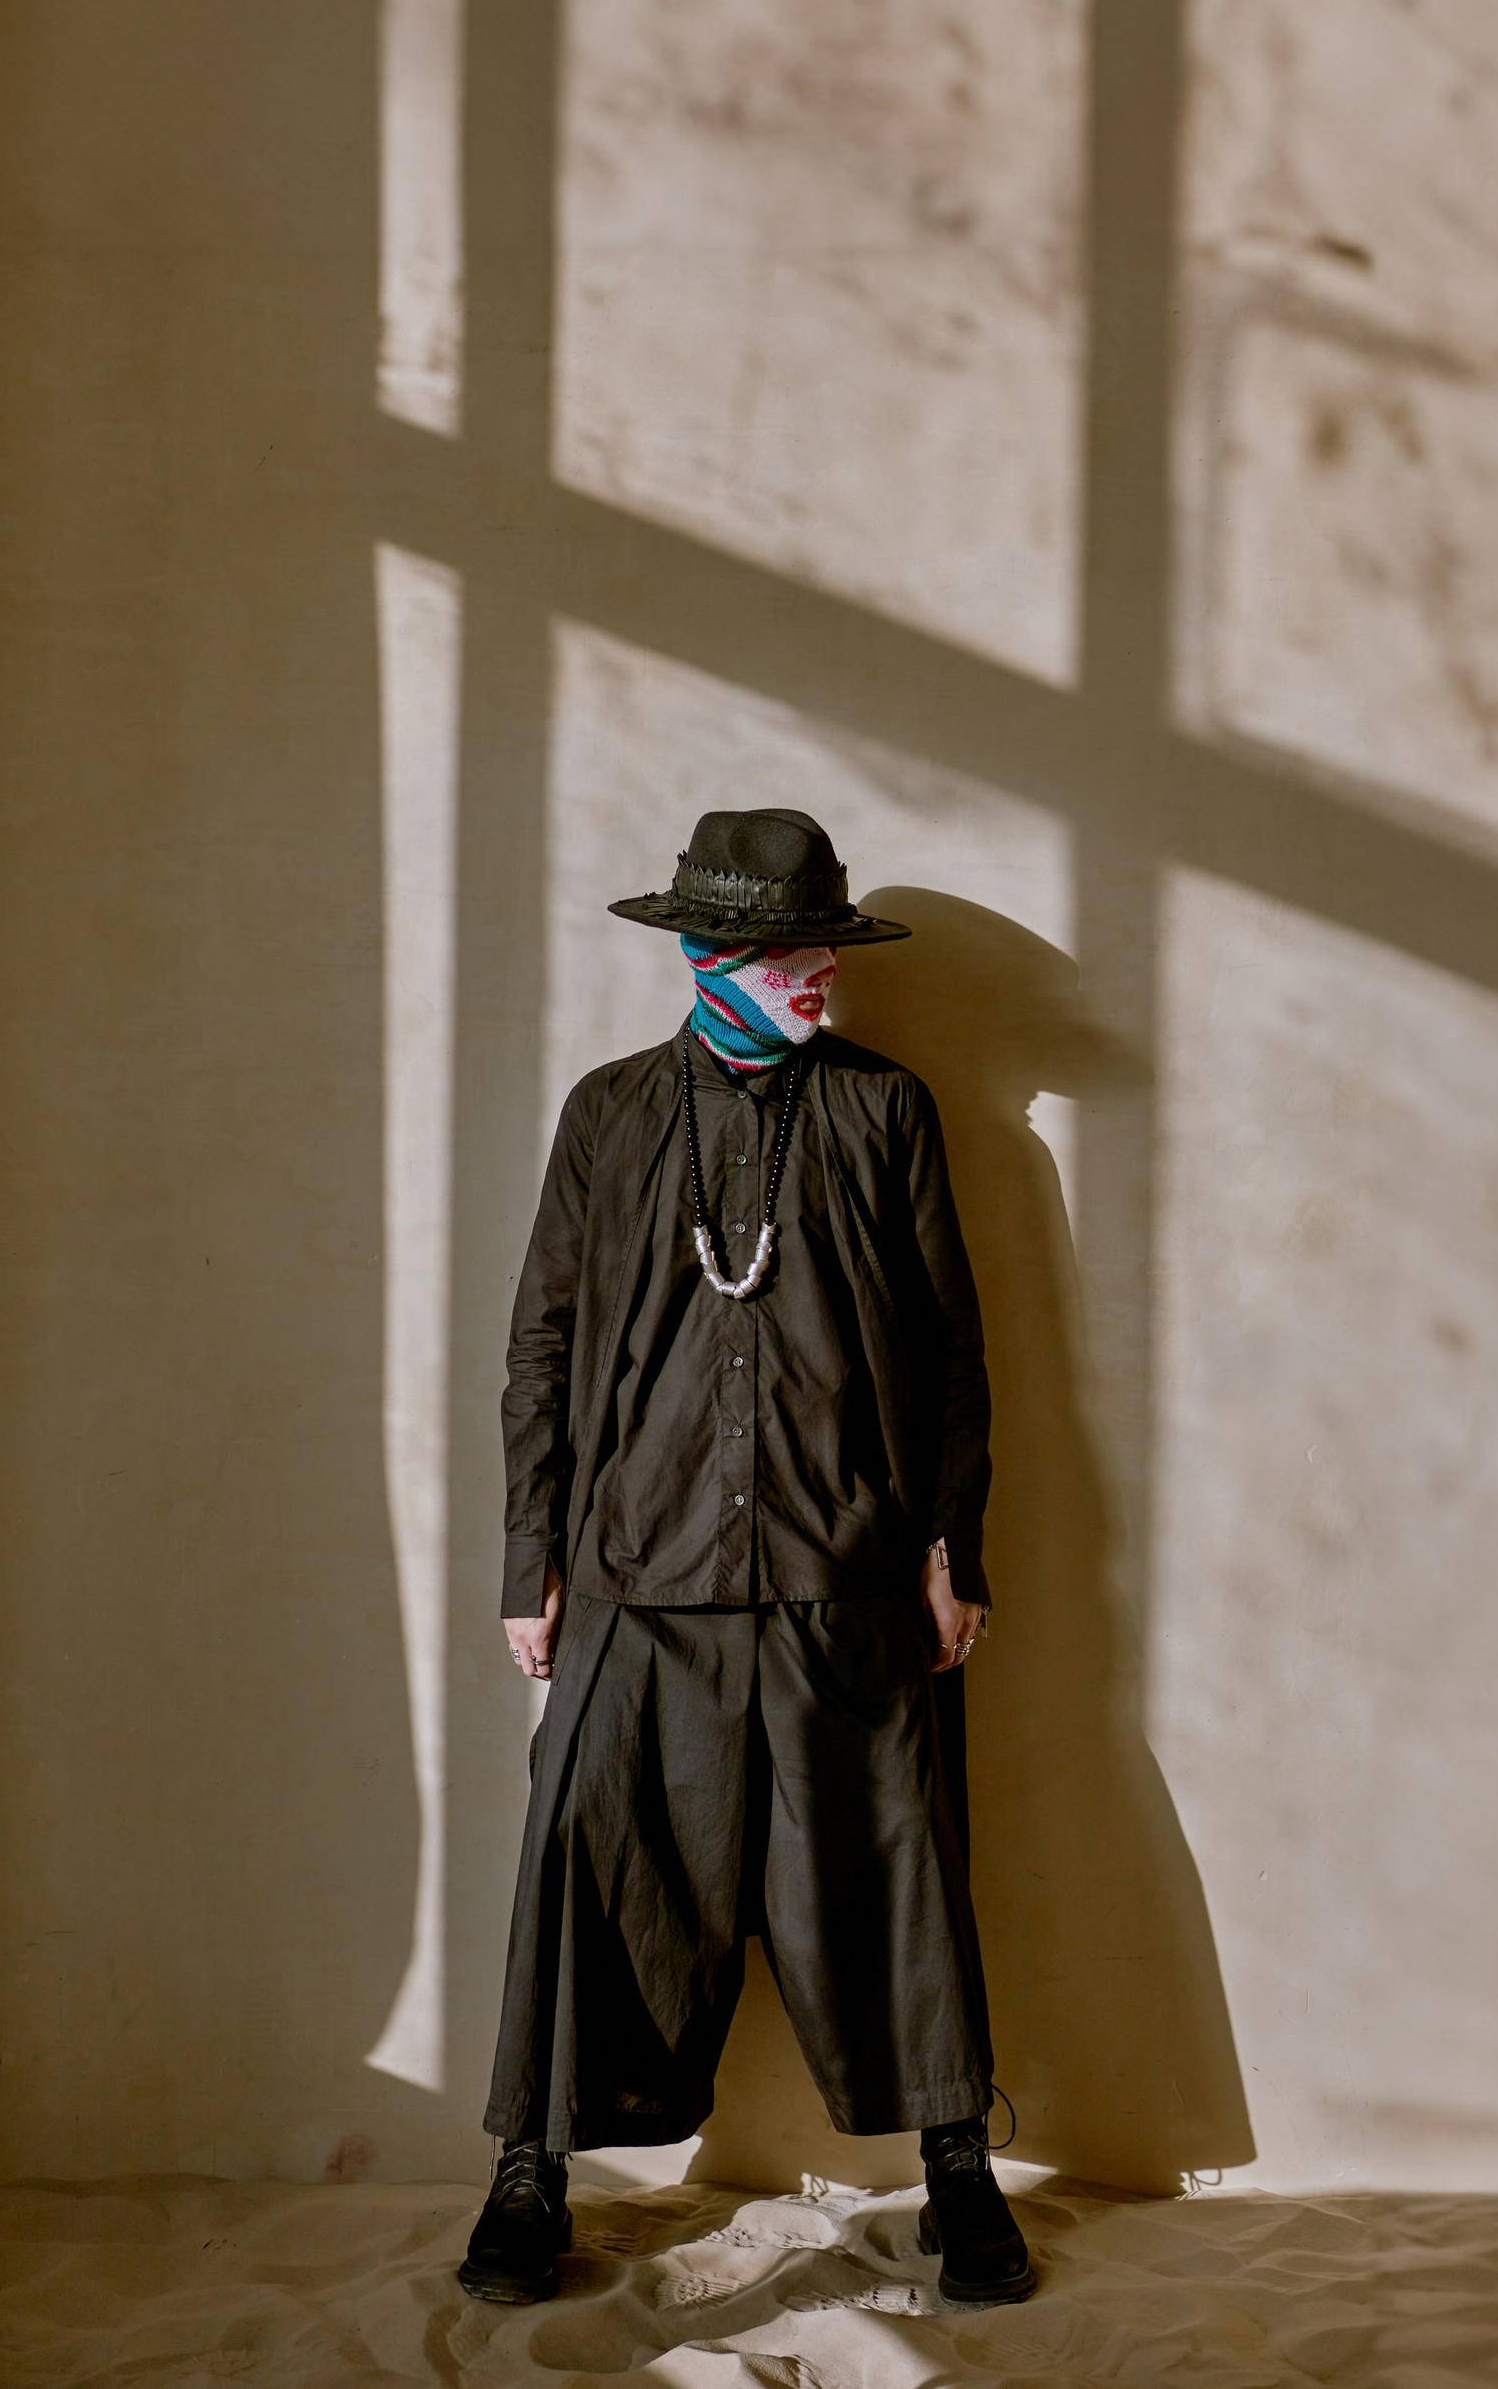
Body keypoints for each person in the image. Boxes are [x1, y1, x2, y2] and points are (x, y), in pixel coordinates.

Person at [457, 807, 1036, 2313]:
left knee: (899, 1861)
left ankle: (960, 2163)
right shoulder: (609, 1115)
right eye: (797, 954)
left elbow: (950, 1352)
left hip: (845, 1568)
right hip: (639, 1575)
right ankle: (530, 2169)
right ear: (712, 954)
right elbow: (544, 1343)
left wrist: (947, 1546)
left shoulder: (885, 1112)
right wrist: (533, 1557)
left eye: (827, 952)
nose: (821, 978)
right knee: (587, 1857)